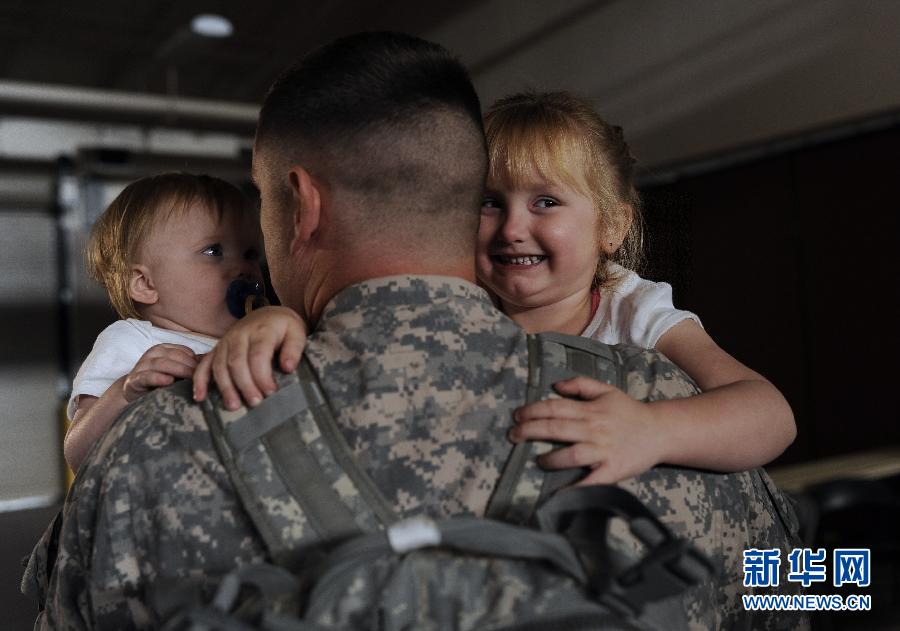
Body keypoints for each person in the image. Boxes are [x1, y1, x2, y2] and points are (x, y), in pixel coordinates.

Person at [28, 32, 803, 630]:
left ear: (303, 206)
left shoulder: (154, 446)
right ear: (466, 199)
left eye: (260, 204)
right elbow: (827, 591)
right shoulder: (666, 406)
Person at [61, 173, 290, 470]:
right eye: (213, 251)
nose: (244, 269)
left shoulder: (255, 334)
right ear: (145, 283)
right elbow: (78, 455)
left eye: (250, 254)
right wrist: (125, 392)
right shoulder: (133, 340)